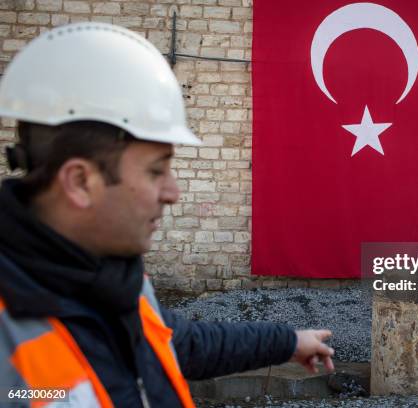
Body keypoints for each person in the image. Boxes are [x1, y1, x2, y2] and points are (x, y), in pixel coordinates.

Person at [0, 23, 334, 406]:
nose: (173, 193)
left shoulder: (110, 276)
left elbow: (178, 342)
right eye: (156, 171)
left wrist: (288, 342)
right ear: (79, 181)